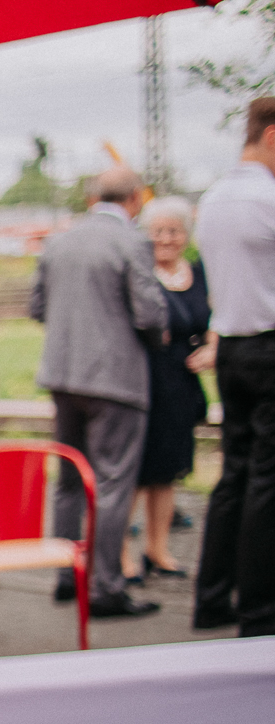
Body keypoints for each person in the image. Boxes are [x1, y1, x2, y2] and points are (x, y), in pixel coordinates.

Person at [31, 165, 168, 619]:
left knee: (69, 480)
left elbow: (37, 307)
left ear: (93, 199)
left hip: (63, 375)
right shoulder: (132, 241)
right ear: (134, 199)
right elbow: (148, 314)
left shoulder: (59, 240)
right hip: (114, 379)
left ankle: (66, 573)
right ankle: (106, 585)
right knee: (112, 482)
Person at [193, 97, 275, 636]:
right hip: (269, 344)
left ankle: (212, 598)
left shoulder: (213, 198)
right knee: (267, 480)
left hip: (232, 349)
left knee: (234, 474)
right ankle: (260, 612)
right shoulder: (268, 198)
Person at [118, 197, 208, 584]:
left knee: (167, 472)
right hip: (145, 380)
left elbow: (216, 316)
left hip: (182, 383)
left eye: (174, 231)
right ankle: (121, 555)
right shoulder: (139, 273)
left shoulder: (199, 273)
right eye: (158, 232)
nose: (167, 239)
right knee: (138, 473)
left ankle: (158, 549)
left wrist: (213, 348)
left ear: (185, 235)